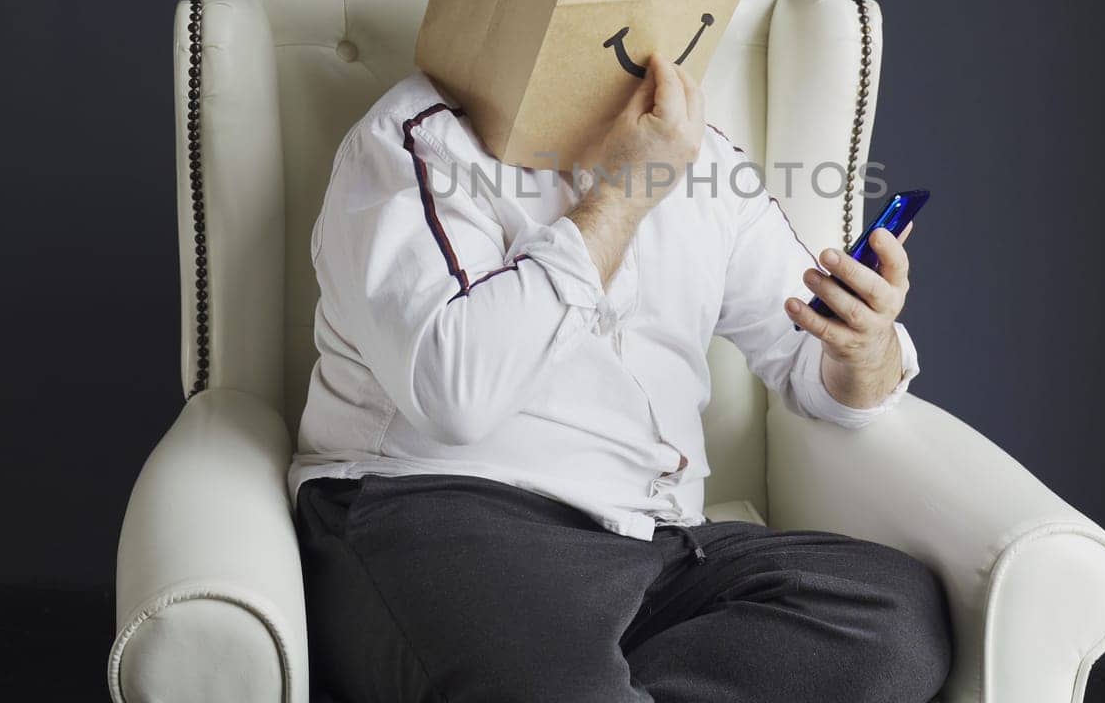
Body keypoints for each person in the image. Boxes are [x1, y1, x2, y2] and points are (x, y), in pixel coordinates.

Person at [290, 51, 953, 702]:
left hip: (653, 544)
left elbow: (811, 361)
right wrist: (623, 193)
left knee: (894, 620)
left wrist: (862, 350)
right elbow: (456, 398)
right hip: (441, 514)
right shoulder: (413, 141)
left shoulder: (708, 160)